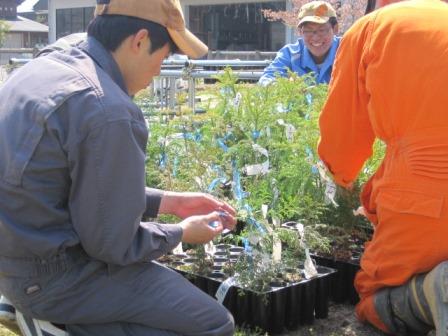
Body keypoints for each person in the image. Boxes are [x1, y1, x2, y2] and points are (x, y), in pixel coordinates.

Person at [0, 0, 237, 335]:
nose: (159, 71)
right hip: (53, 277)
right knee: (212, 324)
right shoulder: (106, 109)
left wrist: (169, 201)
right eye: (165, 56)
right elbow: (113, 244)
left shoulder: (54, 61)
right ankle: (54, 321)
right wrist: (182, 232)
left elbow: (80, 188)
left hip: (15, 259)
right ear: (139, 41)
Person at [317, 0, 448, 335]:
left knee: (372, 296)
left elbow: (344, 131)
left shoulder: (374, 27)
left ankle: (433, 289)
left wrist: (338, 177)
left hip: (430, 189)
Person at [258, 0, 340, 86]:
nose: (315, 38)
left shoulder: (347, 50)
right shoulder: (290, 54)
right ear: (300, 32)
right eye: (308, 31)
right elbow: (266, 79)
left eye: (322, 30)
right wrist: (283, 85)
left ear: (335, 29)